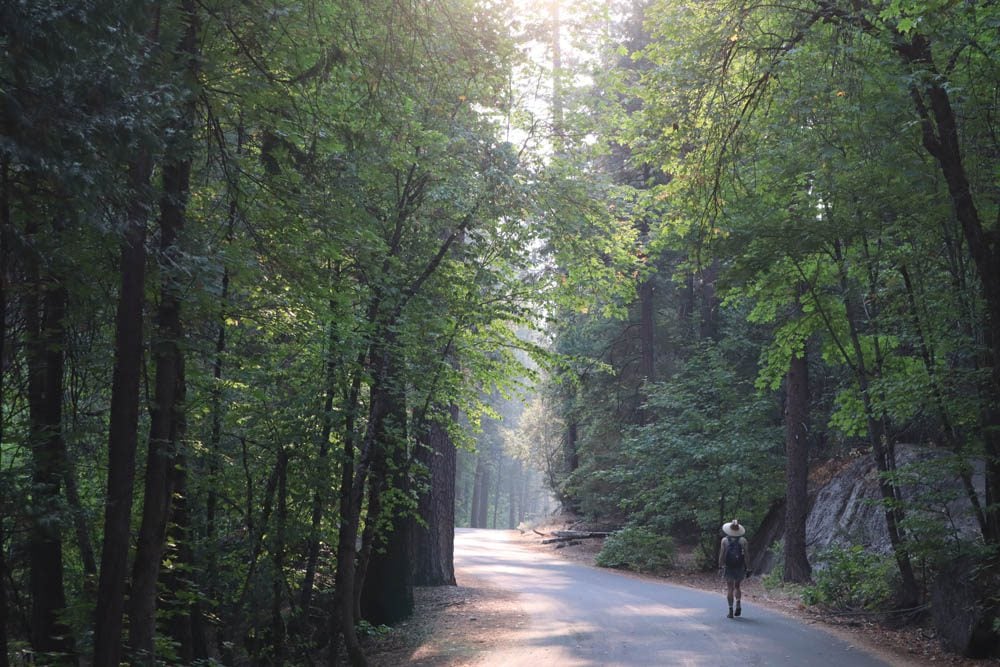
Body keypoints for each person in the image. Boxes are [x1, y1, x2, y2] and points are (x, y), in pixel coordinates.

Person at [718, 519, 750, 619]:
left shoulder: (724, 540)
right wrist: (748, 567)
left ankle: (731, 610)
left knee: (730, 588)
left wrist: (720, 565)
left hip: (729, 567)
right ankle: (738, 603)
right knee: (737, 586)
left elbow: (722, 555)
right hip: (739, 566)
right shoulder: (743, 540)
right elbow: (747, 556)